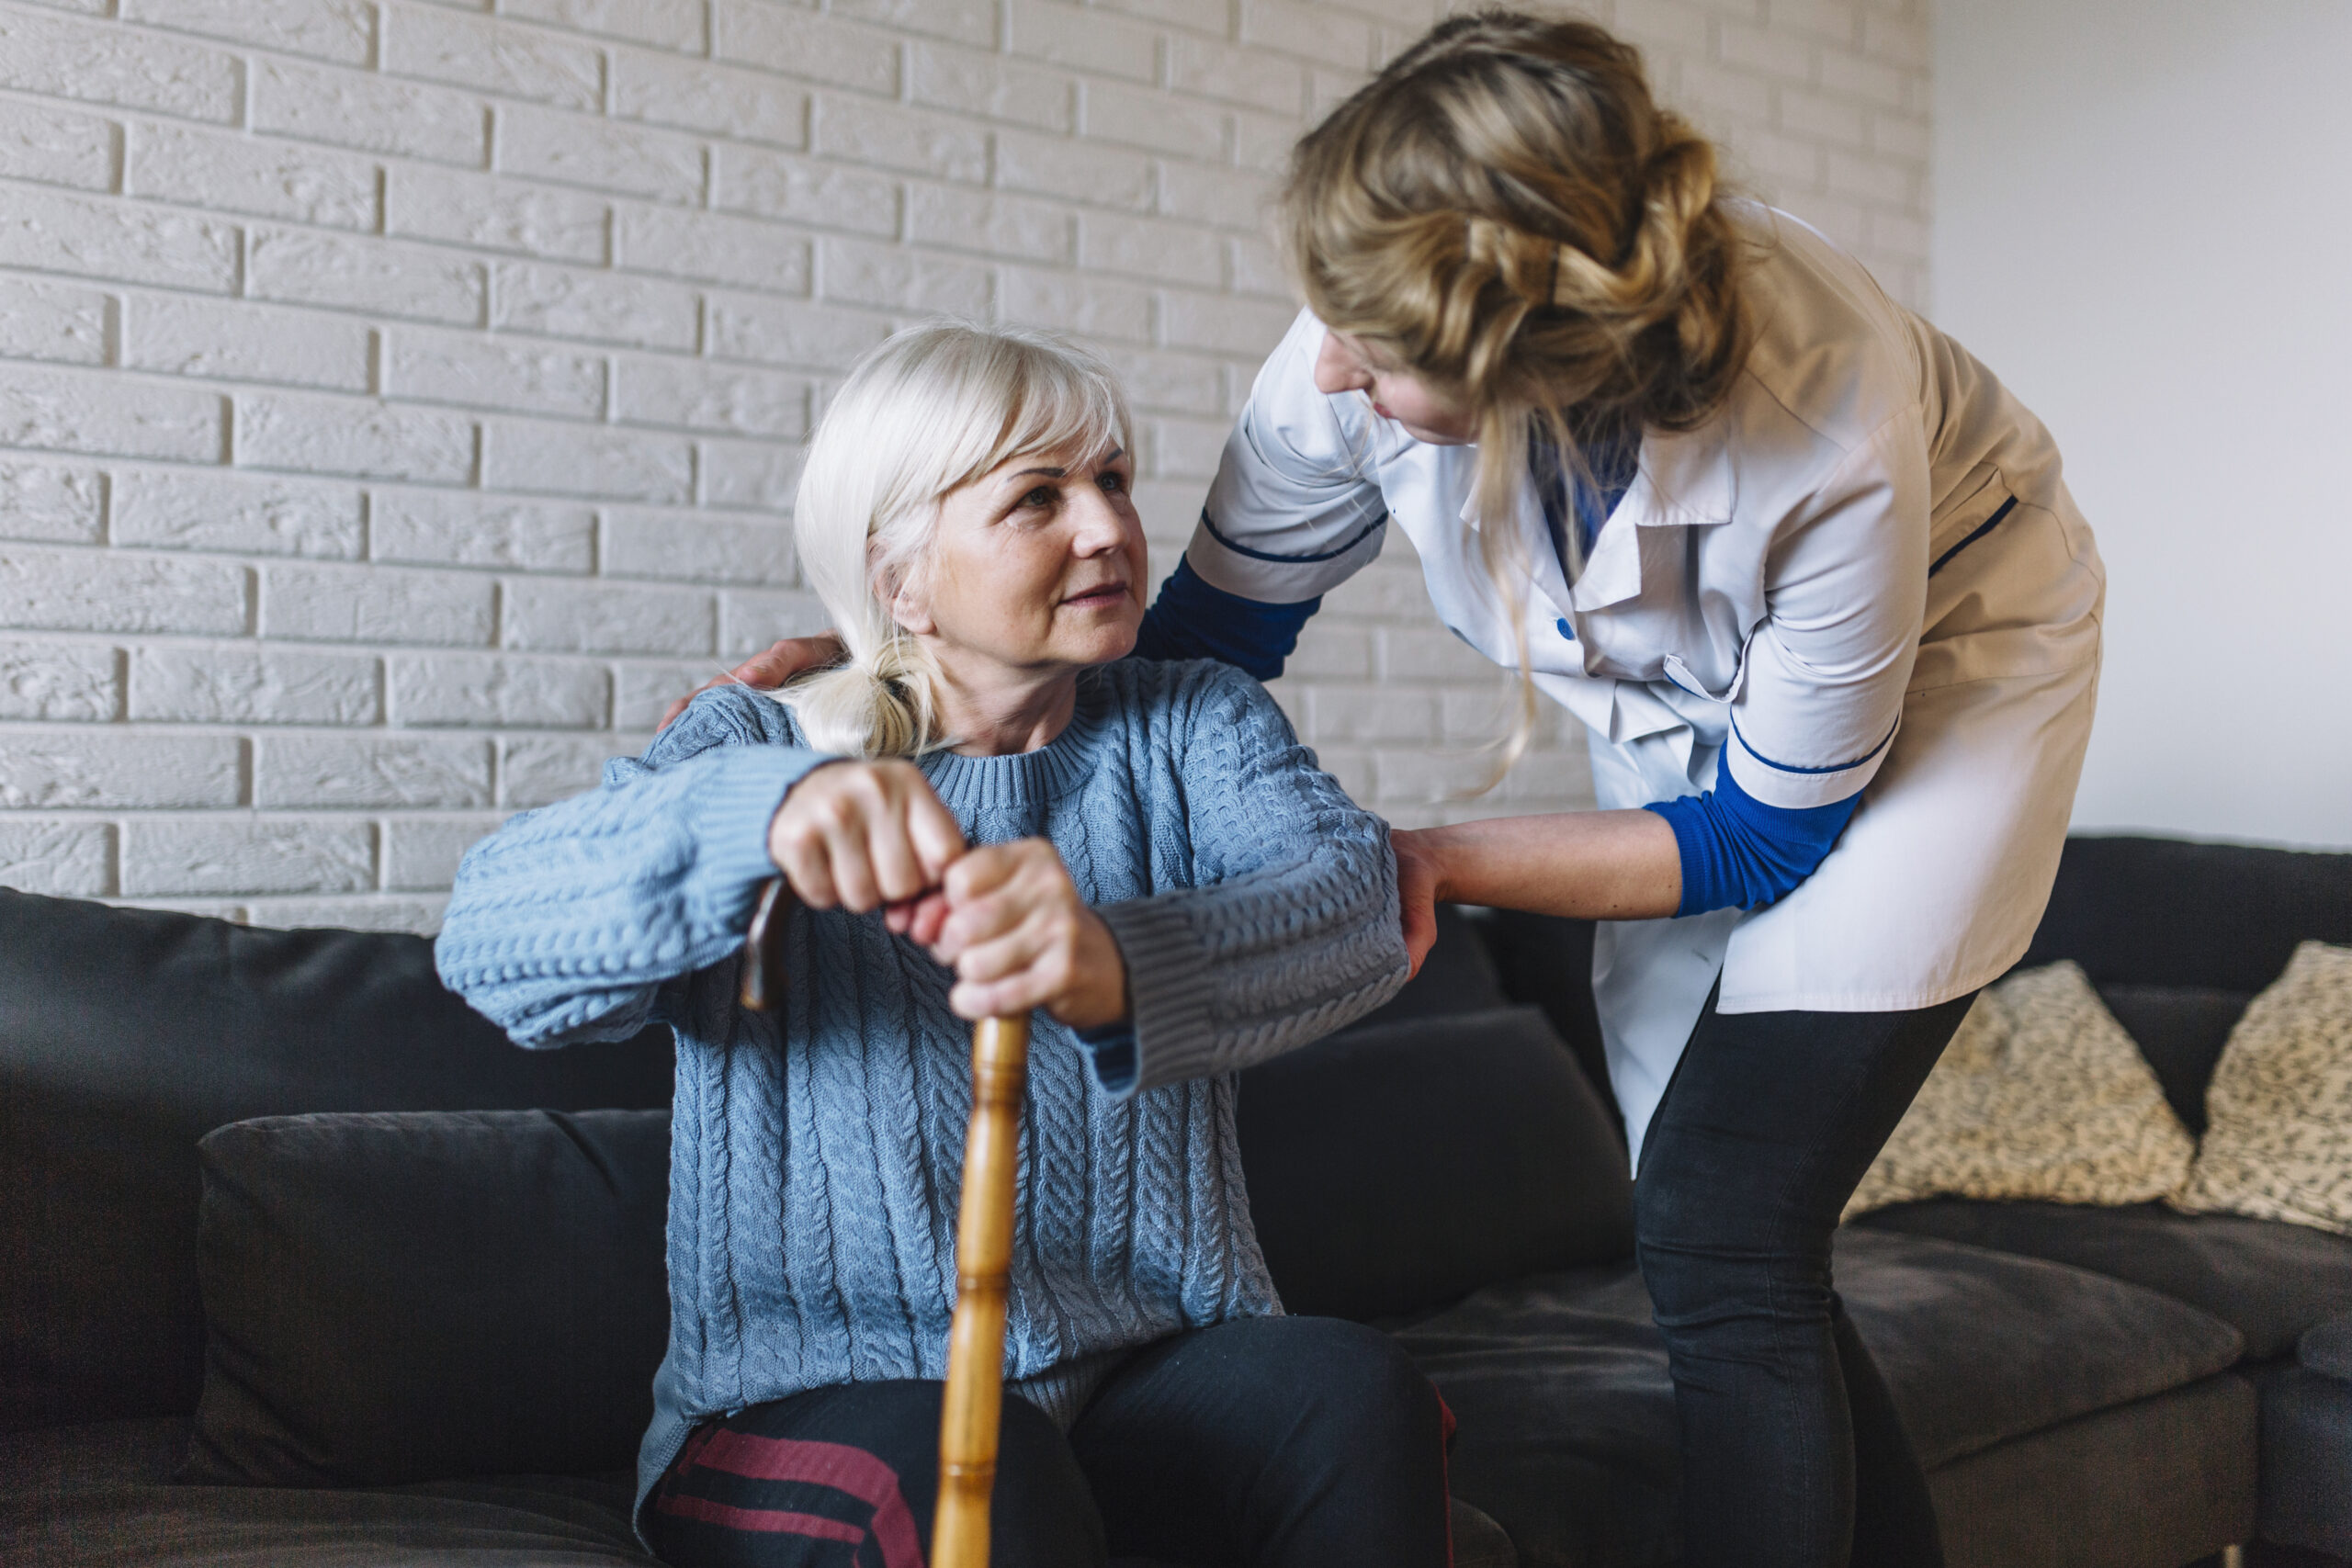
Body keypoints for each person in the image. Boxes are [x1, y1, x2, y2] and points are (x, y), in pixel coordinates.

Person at [689, 15, 2105, 1567]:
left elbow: (1763, 836)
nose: (1332, 366)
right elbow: (1203, 648)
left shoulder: (1828, 428)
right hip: (1701, 729)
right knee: (1723, 1238)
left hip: (1960, 663)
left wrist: (1429, 851)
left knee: (1723, 1219)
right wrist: (914, 646)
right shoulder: (1343, 355)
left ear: (1531, 366)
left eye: (1380, 352)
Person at [436, 323, 1453, 1568]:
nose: (1107, 529)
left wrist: (1118, 965)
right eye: (1038, 497)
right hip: (809, 1403)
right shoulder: (759, 741)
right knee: (973, 1473)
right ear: (900, 578)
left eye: (1115, 482)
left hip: (1143, 1372)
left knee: (1347, 1392)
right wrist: (758, 815)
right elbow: (489, 940)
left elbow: (1354, 904)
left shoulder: (1191, 724)